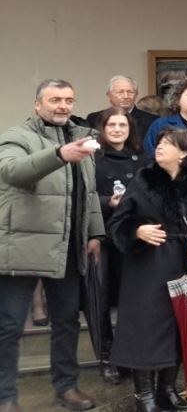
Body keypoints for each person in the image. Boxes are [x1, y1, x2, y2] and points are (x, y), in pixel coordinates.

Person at [0, 79, 104, 411]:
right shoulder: (17, 136)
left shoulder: (80, 138)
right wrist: (58, 155)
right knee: (9, 326)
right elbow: (12, 171)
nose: (63, 106)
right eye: (55, 99)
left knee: (67, 321)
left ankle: (67, 387)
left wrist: (94, 234)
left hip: (68, 247)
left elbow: (89, 193)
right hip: (21, 247)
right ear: (37, 104)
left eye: (69, 100)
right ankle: (5, 396)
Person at [107, 127, 187, 412]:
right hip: (146, 266)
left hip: (184, 263)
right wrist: (137, 231)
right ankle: (144, 394)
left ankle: (167, 389)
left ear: (184, 153)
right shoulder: (143, 180)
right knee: (144, 327)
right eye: (159, 143)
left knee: (180, 326)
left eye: (168, 144)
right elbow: (117, 223)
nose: (159, 147)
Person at [91, 107, 148, 384]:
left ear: (130, 129)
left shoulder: (142, 160)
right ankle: (106, 356)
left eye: (122, 125)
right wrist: (107, 202)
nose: (117, 130)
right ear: (102, 129)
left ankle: (129, 354)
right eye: (111, 125)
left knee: (131, 297)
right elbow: (83, 196)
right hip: (101, 236)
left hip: (132, 235)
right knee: (101, 299)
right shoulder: (91, 159)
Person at [86, 75, 159, 135]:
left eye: (130, 92)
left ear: (136, 95)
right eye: (120, 92)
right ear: (109, 95)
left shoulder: (152, 121)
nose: (126, 96)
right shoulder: (94, 118)